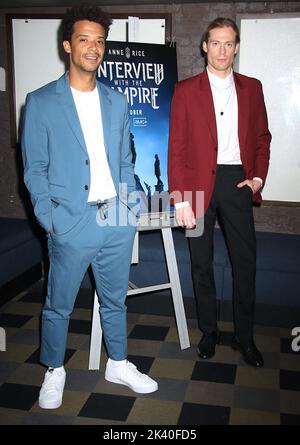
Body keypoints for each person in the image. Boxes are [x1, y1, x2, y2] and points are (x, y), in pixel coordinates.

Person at [21, 3, 158, 410]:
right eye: (84, 39)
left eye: (99, 40)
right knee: (59, 303)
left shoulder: (117, 102)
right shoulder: (41, 101)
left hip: (116, 217)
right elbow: (35, 170)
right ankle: (54, 369)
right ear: (68, 45)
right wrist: (50, 220)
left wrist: (131, 207)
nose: (93, 47)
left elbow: (125, 162)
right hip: (70, 220)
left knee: (115, 299)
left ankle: (117, 362)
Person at [168, 17, 271, 368]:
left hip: (236, 183)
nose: (222, 50)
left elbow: (262, 139)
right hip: (196, 187)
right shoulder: (184, 91)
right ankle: (209, 331)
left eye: (229, 44)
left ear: (236, 47)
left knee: (245, 264)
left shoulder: (253, 88)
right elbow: (177, 148)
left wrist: (257, 179)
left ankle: (245, 336)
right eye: (216, 43)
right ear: (204, 46)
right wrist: (180, 198)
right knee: (201, 263)